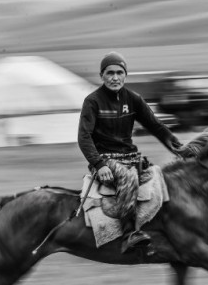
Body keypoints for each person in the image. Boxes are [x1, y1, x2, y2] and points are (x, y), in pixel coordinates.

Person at [78, 51, 183, 253]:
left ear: (125, 75)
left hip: (131, 157)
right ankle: (129, 235)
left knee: (163, 179)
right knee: (128, 177)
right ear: (102, 75)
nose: (115, 77)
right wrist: (99, 165)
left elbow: (156, 126)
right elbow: (84, 137)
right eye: (110, 73)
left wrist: (180, 149)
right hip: (105, 160)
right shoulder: (92, 101)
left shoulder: (133, 99)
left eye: (119, 72)